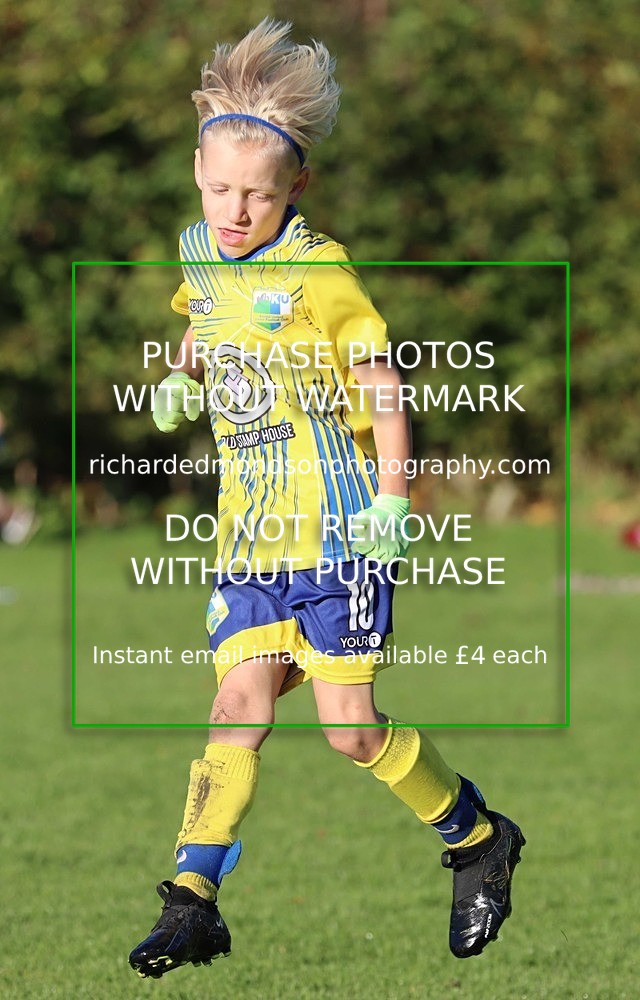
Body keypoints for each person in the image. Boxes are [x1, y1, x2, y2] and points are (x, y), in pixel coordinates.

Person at [129, 19, 524, 979]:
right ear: (196, 171)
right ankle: (191, 900)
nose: (235, 210)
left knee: (349, 728)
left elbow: (381, 382)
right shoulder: (198, 249)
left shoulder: (318, 271)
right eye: (220, 189)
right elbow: (198, 312)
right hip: (250, 534)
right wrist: (183, 375)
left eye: (257, 196)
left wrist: (393, 499)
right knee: (238, 708)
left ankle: (478, 839)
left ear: (294, 189)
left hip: (337, 532)